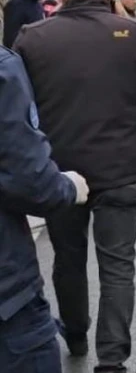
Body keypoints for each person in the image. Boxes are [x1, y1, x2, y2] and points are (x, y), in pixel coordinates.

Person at [12, 0, 136, 373]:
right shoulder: (132, 32)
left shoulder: (32, 38)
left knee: (68, 256)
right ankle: (112, 359)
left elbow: (17, 99)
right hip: (121, 169)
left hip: (62, 171)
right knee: (118, 263)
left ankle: (76, 334)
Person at [0, 45, 89, 373]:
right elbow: (30, 181)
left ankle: (77, 333)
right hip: (8, 300)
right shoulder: (3, 66)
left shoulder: (30, 41)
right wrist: (67, 187)